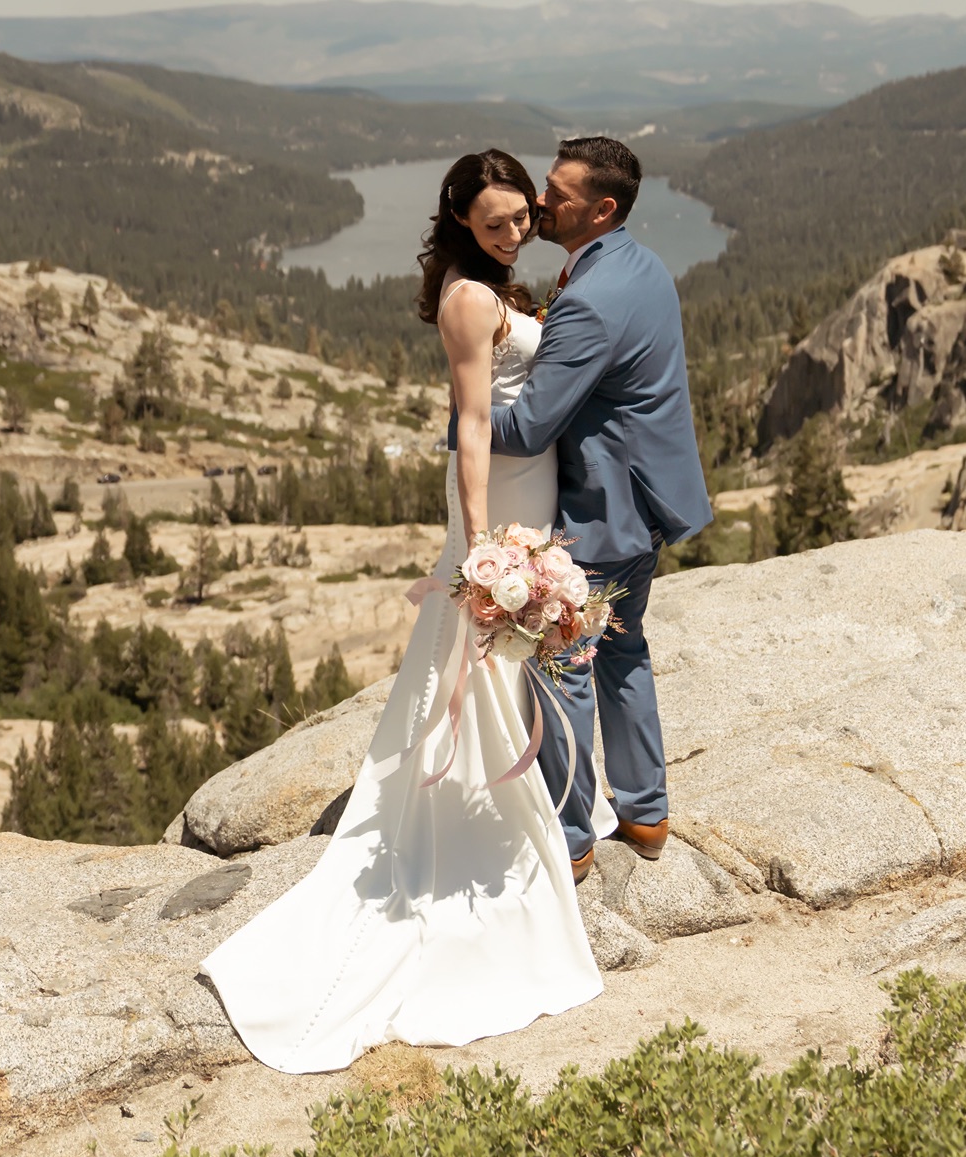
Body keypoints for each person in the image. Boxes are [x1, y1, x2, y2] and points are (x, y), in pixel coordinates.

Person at [200, 149, 602, 1074]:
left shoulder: (496, 281)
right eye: (493, 223)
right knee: (487, 661)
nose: (511, 233)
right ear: (461, 220)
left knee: (509, 665)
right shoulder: (470, 298)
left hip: (529, 488)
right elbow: (469, 420)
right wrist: (480, 543)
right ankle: (488, 820)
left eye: (520, 219)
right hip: (498, 497)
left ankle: (528, 800)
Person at [490, 136, 712, 883]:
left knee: (565, 667)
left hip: (603, 515)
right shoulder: (638, 264)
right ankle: (647, 813)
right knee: (624, 648)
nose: (540, 201)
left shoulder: (589, 297)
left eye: (558, 192)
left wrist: (458, 414)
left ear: (603, 208)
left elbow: (526, 428)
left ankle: (571, 838)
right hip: (647, 504)